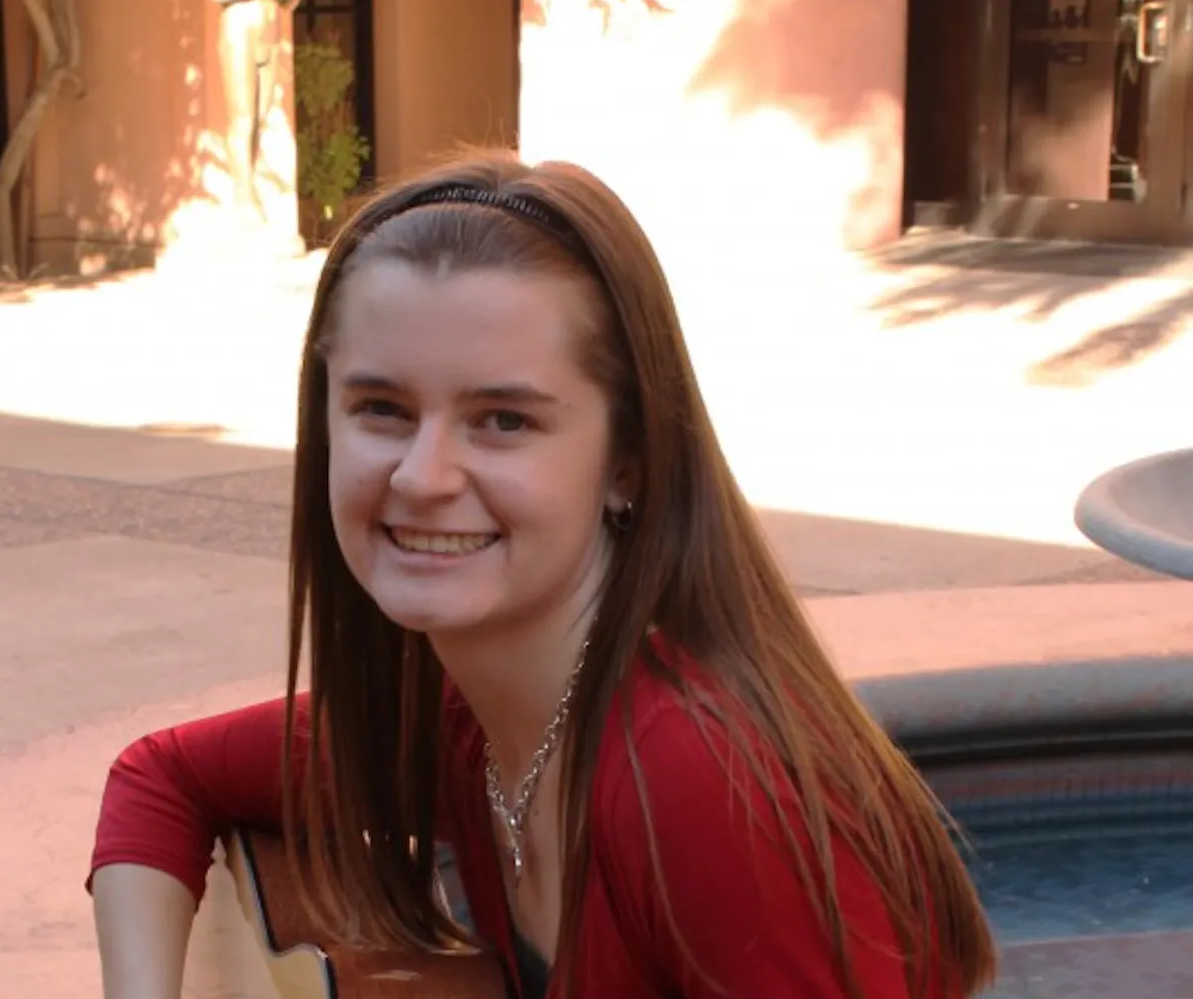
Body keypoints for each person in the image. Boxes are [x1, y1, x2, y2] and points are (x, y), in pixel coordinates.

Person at [86, 149, 998, 999]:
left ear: (628, 462)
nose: (421, 475)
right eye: (381, 408)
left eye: (504, 420)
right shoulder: (470, 733)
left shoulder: (702, 786)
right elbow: (160, 777)